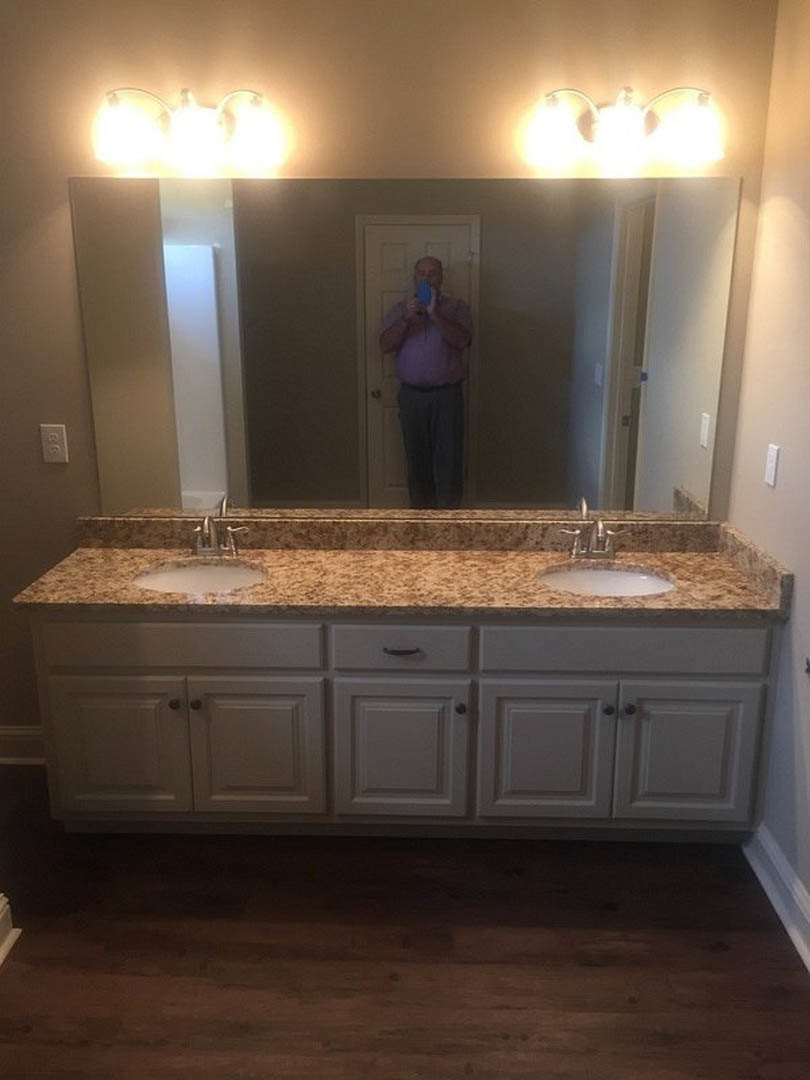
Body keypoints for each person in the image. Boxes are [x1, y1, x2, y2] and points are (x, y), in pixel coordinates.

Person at [379, 256, 473, 508]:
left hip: (447, 397)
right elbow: (384, 346)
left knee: (449, 463)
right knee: (417, 461)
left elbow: (462, 341)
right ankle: (421, 526)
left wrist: (435, 314)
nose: (427, 278)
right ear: (414, 277)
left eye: (432, 273)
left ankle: (450, 527)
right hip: (411, 397)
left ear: (441, 278)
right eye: (421, 273)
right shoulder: (400, 310)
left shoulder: (457, 308)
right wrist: (407, 320)